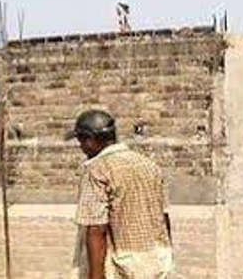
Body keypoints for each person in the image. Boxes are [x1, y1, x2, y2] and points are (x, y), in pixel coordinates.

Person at [70, 109, 175, 279]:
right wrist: (168, 254)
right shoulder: (150, 165)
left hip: (125, 265)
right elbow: (164, 217)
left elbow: (97, 228)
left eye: (81, 140)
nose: (80, 146)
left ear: (90, 139)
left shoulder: (97, 169)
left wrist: (95, 276)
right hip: (158, 260)